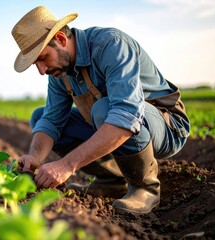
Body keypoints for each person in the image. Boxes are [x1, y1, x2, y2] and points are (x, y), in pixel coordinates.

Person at [12, 6, 190, 214]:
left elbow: (126, 116)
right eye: (35, 64)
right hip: (115, 121)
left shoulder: (111, 45)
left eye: (42, 58)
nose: (42, 71)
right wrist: (34, 157)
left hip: (166, 126)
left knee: (105, 109)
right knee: (40, 116)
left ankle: (145, 188)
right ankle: (111, 180)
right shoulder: (59, 73)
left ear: (60, 39)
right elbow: (51, 121)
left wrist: (66, 166)